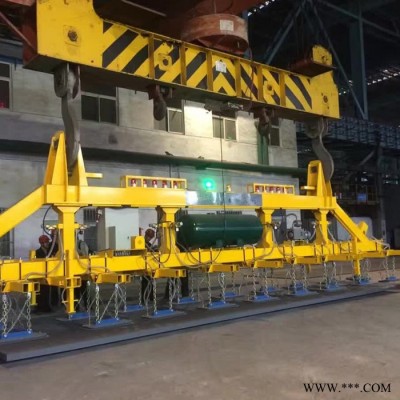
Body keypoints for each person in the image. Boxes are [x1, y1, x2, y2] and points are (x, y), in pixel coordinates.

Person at [35, 234, 59, 312]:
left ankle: (50, 305)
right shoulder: (37, 252)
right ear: (42, 243)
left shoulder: (50, 251)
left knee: (50, 290)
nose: (48, 243)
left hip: (50, 273)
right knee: (42, 291)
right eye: (46, 242)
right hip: (41, 274)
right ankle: (41, 307)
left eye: (48, 242)